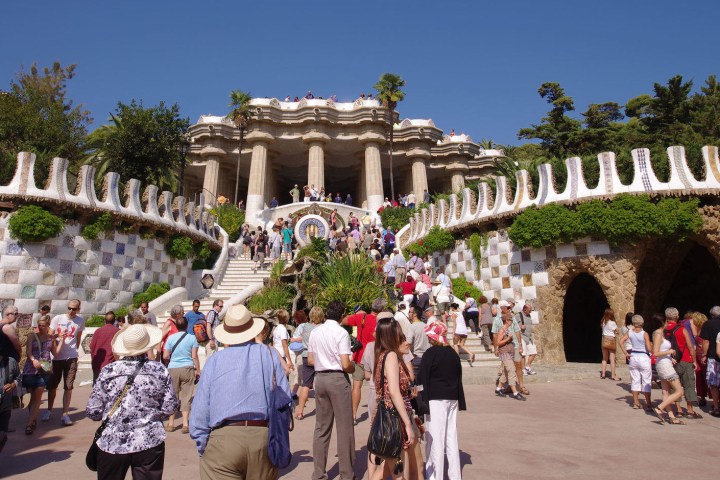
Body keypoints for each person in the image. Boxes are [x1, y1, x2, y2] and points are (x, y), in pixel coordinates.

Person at [190, 304, 291, 479]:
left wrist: (203, 445)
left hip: (223, 439)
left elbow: (200, 410)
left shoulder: (215, 361)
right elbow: (286, 399)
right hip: (263, 437)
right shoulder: (269, 354)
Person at [86, 322, 178, 479]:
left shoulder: (109, 370)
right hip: (149, 439)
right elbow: (170, 407)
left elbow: (93, 411)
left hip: (112, 441)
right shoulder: (158, 370)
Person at [307, 301, 355, 480]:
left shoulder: (315, 332)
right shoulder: (342, 333)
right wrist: (352, 367)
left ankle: (318, 473)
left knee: (321, 427)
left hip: (320, 378)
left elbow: (310, 360)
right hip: (337, 378)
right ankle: (346, 474)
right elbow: (345, 363)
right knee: (344, 428)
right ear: (342, 315)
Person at [367, 315, 417, 480]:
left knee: (387, 470)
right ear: (391, 335)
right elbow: (394, 392)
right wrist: (408, 424)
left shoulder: (383, 355)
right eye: (399, 334)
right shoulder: (391, 356)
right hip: (393, 418)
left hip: (388, 416)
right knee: (397, 473)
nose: (402, 337)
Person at [419, 321, 465, 480]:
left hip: (435, 399)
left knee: (435, 439)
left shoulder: (430, 353)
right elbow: (458, 376)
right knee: (451, 438)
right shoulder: (453, 353)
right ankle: (454, 476)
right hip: (452, 398)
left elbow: (422, 379)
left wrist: (419, 402)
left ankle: (434, 476)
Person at [45, 299, 85, 426]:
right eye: (69, 308)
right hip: (57, 357)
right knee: (52, 386)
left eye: (74, 309)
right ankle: (49, 410)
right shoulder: (58, 319)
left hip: (71, 357)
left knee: (68, 386)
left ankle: (65, 414)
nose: (71, 311)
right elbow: (49, 337)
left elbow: (78, 338)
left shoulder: (80, 321)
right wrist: (58, 336)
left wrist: (75, 351)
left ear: (78, 309)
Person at [343, 300, 382, 424]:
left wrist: (358, 314)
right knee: (378, 386)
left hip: (360, 356)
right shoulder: (383, 320)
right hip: (376, 357)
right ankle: (377, 414)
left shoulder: (362, 317)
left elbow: (344, 321)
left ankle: (353, 415)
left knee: (357, 386)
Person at [22, 315, 61, 435]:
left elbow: (55, 353)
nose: (40, 327)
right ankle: (32, 418)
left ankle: (29, 424)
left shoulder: (51, 339)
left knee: (38, 397)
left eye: (43, 326)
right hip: (31, 368)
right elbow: (28, 351)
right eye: (39, 325)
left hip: (44, 369)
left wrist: (61, 341)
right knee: (32, 397)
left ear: (48, 326)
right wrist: (33, 359)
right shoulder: (32, 336)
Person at [163, 315, 200, 434]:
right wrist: (198, 370)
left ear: (176, 326)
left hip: (173, 367)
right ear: (187, 326)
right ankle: (185, 423)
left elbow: (165, 356)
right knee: (186, 395)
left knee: (173, 395)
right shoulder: (192, 338)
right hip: (187, 367)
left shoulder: (171, 338)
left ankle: (171, 422)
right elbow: (194, 356)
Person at [663, 307, 701, 419]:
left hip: (670, 361)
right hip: (685, 360)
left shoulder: (663, 330)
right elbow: (690, 346)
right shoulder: (681, 329)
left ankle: (679, 410)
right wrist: (694, 361)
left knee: (675, 386)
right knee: (689, 385)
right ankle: (690, 410)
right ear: (677, 316)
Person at [651, 315, 686, 424]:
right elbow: (655, 352)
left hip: (665, 363)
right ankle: (659, 408)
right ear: (664, 322)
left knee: (665, 391)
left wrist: (669, 357)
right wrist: (670, 352)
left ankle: (671, 417)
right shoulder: (658, 334)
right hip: (664, 365)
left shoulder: (660, 333)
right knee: (679, 391)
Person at [619, 315, 653, 410]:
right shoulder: (644, 334)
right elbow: (649, 348)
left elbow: (621, 341)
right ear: (642, 323)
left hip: (633, 356)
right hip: (643, 357)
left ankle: (636, 402)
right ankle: (649, 403)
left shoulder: (629, 332)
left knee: (635, 380)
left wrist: (625, 353)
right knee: (646, 380)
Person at [295, 307, 323, 420]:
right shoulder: (322, 328)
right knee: (321, 383)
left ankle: (300, 411)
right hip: (319, 356)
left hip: (306, 355)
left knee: (305, 385)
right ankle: (324, 410)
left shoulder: (305, 326)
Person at [494, 312, 527, 401]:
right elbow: (498, 342)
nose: (512, 322)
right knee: (512, 370)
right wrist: (508, 339)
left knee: (505, 371)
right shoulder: (502, 330)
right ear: (506, 321)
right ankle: (515, 393)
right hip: (505, 353)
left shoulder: (508, 329)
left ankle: (498, 389)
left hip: (510, 352)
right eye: (510, 320)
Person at [699, 306, 720, 417]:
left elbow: (706, 341)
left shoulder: (708, 324)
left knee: (714, 384)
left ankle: (716, 407)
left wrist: (704, 354)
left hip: (713, 356)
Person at [90, 312, 119, 383]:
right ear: (114, 320)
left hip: (98, 363)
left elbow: (92, 346)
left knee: (96, 386)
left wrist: (93, 358)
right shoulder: (117, 332)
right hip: (111, 363)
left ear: (104, 320)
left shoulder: (98, 331)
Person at [0, 345, 19, 453]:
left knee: (2, 435)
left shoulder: (11, 362)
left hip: (5, 405)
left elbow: (18, 377)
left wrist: (13, 385)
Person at [690, 312, 709, 407]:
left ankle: (713, 398)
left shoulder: (705, 329)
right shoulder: (698, 328)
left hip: (703, 355)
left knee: (707, 376)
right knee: (699, 377)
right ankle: (702, 397)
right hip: (697, 355)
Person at [272, 309, 294, 378]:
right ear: (287, 318)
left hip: (276, 354)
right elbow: (284, 345)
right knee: (284, 378)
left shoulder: (276, 328)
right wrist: (289, 361)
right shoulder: (282, 329)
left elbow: (273, 343)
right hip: (281, 356)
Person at [518, 303, 538, 375]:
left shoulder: (529, 315)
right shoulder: (518, 315)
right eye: (529, 310)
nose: (531, 311)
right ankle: (523, 369)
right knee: (523, 354)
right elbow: (513, 325)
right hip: (522, 336)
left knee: (533, 352)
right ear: (525, 309)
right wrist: (520, 326)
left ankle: (527, 367)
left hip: (529, 337)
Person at [599, 308, 619, 380]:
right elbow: (618, 331)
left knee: (604, 358)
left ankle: (603, 374)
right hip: (611, 341)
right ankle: (613, 375)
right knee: (612, 359)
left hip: (604, 340)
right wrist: (615, 332)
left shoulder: (603, 322)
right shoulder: (612, 323)